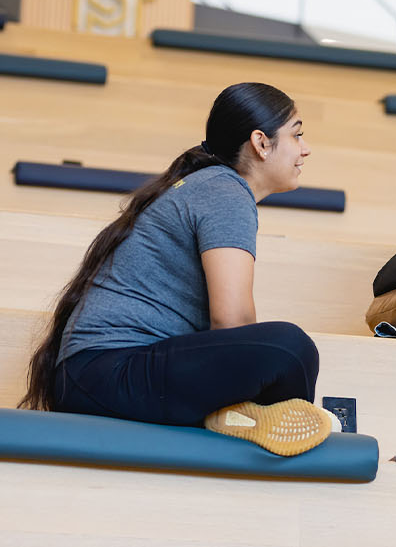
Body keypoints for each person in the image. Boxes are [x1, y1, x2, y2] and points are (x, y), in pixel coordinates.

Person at [18, 82, 332, 457]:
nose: (306, 148)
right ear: (261, 143)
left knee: (283, 349)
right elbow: (232, 319)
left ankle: (237, 418)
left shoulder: (212, 186)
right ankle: (245, 422)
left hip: (97, 376)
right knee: (290, 349)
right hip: (105, 373)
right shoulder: (225, 191)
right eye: (297, 135)